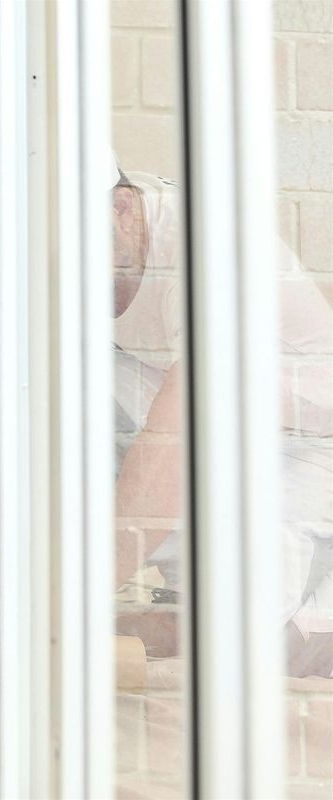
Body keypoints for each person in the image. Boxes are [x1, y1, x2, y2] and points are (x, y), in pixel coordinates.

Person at [108, 163, 333, 677]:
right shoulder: (93, 250)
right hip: (212, 431)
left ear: (122, 208)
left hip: (301, 446)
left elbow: (175, 435)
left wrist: (74, 599)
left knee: (247, 647)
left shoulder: (208, 254)